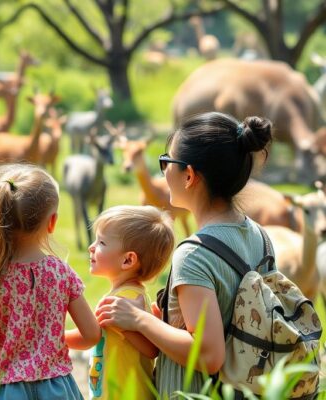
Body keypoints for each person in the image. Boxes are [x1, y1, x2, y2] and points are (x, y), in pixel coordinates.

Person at [95, 112, 272, 396]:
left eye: (166, 161)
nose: (163, 170)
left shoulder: (194, 256)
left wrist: (140, 319)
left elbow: (208, 354)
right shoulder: (259, 236)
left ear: (188, 176)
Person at [0, 164, 101, 400]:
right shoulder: (61, 273)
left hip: (4, 390)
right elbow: (91, 334)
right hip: (57, 388)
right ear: (52, 223)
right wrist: (51, 340)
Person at [66, 205, 174, 400]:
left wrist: (52, 336)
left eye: (101, 242)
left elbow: (88, 336)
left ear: (127, 260)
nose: (91, 247)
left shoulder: (119, 303)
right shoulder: (134, 295)